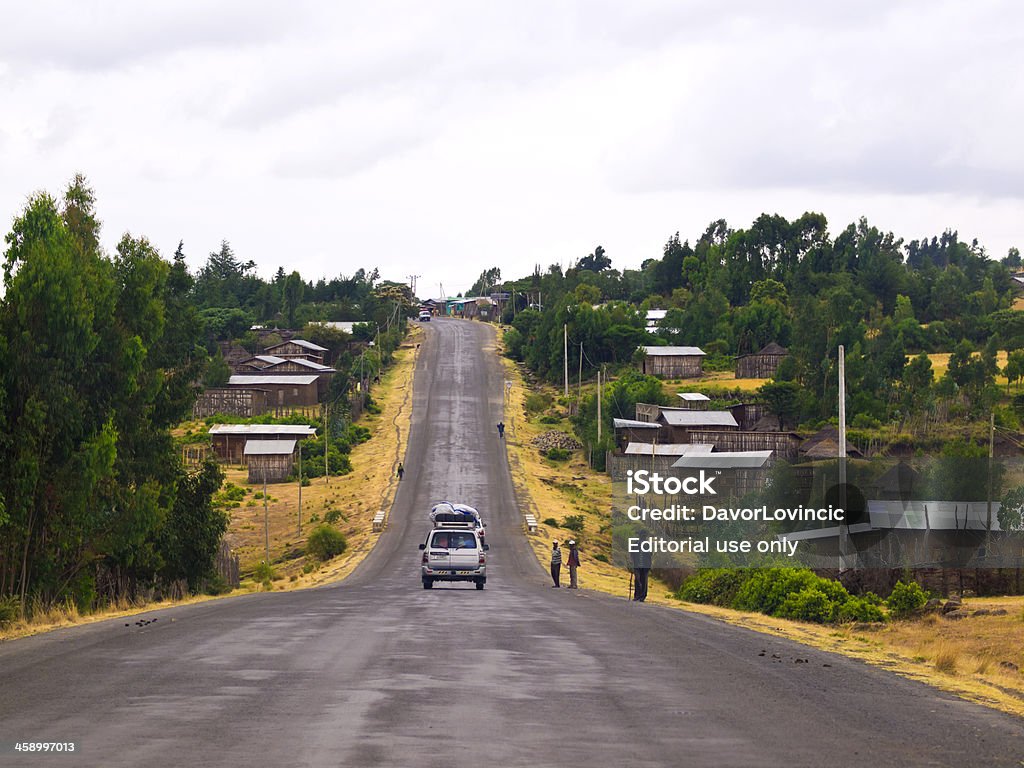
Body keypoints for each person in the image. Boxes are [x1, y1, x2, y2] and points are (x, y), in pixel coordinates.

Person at [631, 530, 652, 602]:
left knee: (644, 580)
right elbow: (632, 554)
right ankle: (637, 595)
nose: (643, 537)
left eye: (644, 535)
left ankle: (642, 596)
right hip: (637, 565)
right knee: (637, 580)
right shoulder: (635, 543)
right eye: (642, 535)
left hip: (645, 565)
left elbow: (650, 555)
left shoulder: (648, 544)